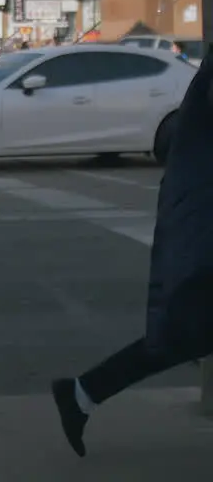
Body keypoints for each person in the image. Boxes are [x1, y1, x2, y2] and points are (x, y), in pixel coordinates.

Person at [51, 55, 213, 458]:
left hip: (198, 210)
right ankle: (83, 393)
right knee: (188, 328)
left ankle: (83, 393)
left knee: (188, 331)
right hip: (203, 213)